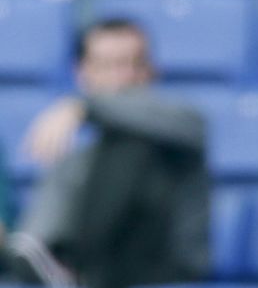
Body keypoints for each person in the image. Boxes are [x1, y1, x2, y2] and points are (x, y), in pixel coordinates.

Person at [4, 19, 209, 288]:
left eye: (134, 63)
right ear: (82, 73)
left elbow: (188, 123)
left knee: (131, 145)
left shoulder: (181, 129)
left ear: (152, 71)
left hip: (163, 271)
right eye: (108, 65)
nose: (124, 77)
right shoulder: (78, 160)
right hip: (85, 268)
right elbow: (43, 229)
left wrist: (82, 106)